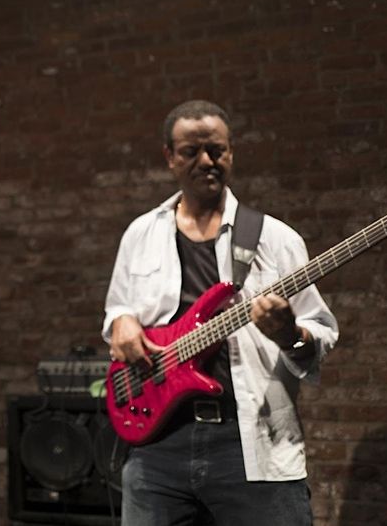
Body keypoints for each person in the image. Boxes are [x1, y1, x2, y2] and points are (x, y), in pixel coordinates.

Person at [103, 100, 338, 525]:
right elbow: (119, 308)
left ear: (231, 152)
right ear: (169, 157)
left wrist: (289, 335)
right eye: (191, 151)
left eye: (216, 150)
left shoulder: (275, 239)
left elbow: (320, 331)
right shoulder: (141, 234)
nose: (206, 161)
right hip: (157, 446)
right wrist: (120, 321)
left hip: (250, 441)